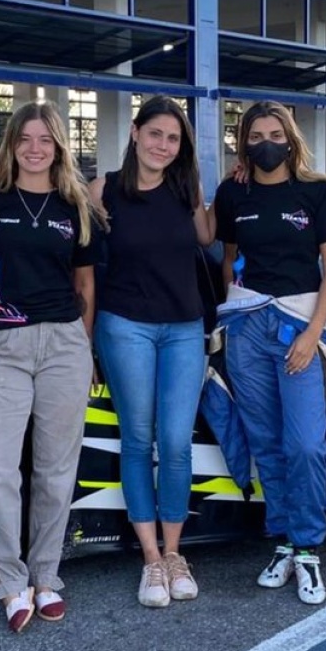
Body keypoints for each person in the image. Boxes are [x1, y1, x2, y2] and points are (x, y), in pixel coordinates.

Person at [0, 100, 103, 633]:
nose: (35, 148)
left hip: (64, 345)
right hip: (2, 348)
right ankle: (10, 582)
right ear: (12, 145)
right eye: (26, 139)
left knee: (55, 470)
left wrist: (83, 349)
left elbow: (86, 286)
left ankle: (46, 577)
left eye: (45, 139)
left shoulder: (75, 206)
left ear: (58, 146)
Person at [212, 100, 326, 605]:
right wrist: (237, 314)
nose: (265, 142)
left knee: (307, 443)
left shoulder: (317, 192)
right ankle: (285, 541)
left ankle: (308, 546)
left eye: (274, 133)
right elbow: (227, 259)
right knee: (265, 442)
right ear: (243, 142)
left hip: (299, 328)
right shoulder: (232, 193)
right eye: (254, 135)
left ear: (290, 138)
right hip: (248, 329)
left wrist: (315, 334)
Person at [90, 95, 214, 608]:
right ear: (136, 133)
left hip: (185, 328)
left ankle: (175, 553)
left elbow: (214, 240)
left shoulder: (187, 191)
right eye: (155, 133)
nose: (163, 145)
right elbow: (83, 264)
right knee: (138, 440)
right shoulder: (104, 190)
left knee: (175, 443)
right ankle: (151, 561)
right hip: (125, 327)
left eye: (173, 138)